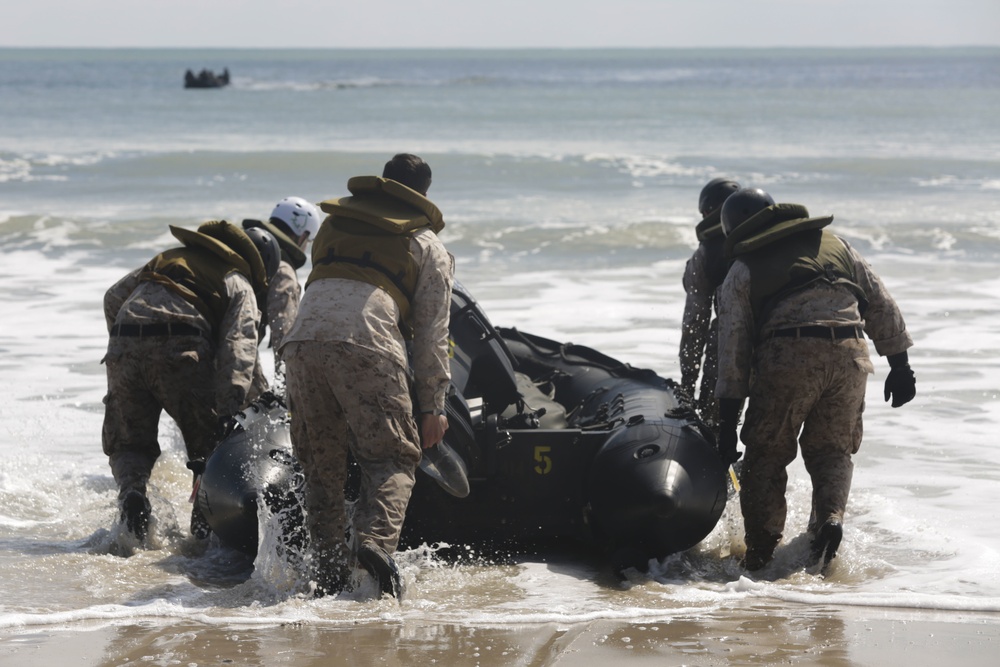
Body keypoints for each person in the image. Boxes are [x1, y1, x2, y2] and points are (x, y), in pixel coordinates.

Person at [714, 188, 916, 572]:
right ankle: (829, 521)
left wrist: (726, 424)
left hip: (788, 355)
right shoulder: (836, 245)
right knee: (832, 450)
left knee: (766, 454)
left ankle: (761, 555)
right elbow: (881, 303)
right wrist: (900, 365)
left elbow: (733, 352)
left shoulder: (742, 269)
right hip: (852, 354)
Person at [281, 154, 454, 598]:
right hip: (368, 342)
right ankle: (373, 550)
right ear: (423, 195)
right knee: (393, 458)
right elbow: (433, 334)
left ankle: (326, 575)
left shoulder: (334, 227)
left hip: (300, 343)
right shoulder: (426, 243)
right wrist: (433, 405)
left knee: (321, 465)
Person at [102, 220, 280, 543]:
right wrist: (228, 413)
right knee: (209, 450)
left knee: (129, 442)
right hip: (181, 345)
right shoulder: (237, 281)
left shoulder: (168, 259)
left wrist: (126, 346)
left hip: (123, 339)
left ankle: (132, 496)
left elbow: (113, 298)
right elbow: (238, 351)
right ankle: (202, 537)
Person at [678, 177, 741, 432]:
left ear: (707, 212)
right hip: (779, 345)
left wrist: (687, 386)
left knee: (715, 428)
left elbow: (695, 325)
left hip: (729, 347)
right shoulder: (772, 243)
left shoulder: (706, 254)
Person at [242, 197, 323, 390]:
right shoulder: (282, 268)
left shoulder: (249, 250)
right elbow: (284, 334)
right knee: (258, 415)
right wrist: (288, 391)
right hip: (233, 349)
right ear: (303, 236)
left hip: (201, 339)